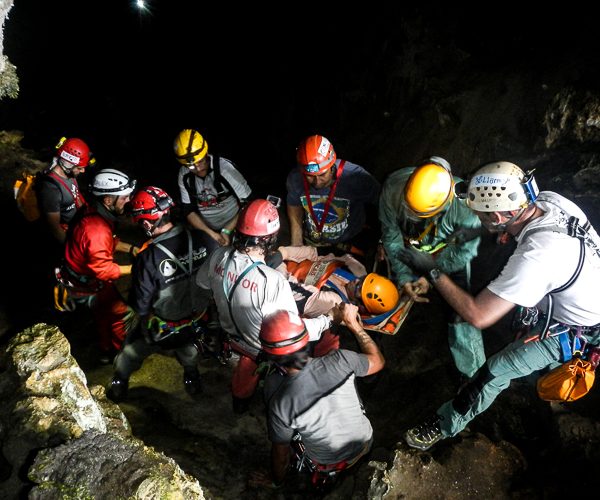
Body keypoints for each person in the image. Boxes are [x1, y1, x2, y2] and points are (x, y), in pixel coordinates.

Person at [396, 161, 600, 451]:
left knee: (494, 371)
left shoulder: (537, 257)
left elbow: (478, 315)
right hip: (579, 292)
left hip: (575, 329)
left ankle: (443, 425)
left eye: (481, 214)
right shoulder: (549, 201)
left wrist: (431, 270)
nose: (478, 218)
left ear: (500, 215)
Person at [196, 198, 341, 413]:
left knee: (244, 375)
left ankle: (240, 407)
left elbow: (202, 284)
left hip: (232, 336)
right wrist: (328, 319)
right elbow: (294, 333)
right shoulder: (271, 280)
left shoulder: (218, 255)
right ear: (270, 238)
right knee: (328, 335)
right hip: (263, 346)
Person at [253, 305, 385, 492]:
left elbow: (281, 456)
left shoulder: (281, 404)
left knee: (283, 422)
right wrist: (354, 325)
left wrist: (276, 481)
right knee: (348, 378)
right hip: (365, 445)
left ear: (271, 356)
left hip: (328, 464)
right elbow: (378, 361)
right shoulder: (342, 359)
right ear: (306, 338)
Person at [378, 156, 485, 378]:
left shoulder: (467, 209)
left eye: (419, 215)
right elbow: (392, 237)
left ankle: (474, 374)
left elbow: (462, 253)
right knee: (394, 290)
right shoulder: (394, 186)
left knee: (460, 310)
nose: (412, 217)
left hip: (449, 250)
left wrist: (431, 275)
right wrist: (405, 277)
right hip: (414, 245)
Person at [107, 186, 212, 401]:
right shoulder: (203, 239)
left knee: (130, 352)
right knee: (188, 349)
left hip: (162, 328)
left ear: (146, 223)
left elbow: (141, 303)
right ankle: (192, 376)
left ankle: (120, 381)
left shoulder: (148, 258)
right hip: (196, 321)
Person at [57, 168, 139, 363]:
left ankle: (106, 350)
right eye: (124, 197)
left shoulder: (93, 211)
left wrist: (131, 249)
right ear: (108, 200)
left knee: (102, 313)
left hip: (78, 278)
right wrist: (136, 268)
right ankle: (123, 356)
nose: (128, 201)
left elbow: (110, 241)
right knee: (123, 314)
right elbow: (104, 271)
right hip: (87, 284)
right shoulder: (97, 229)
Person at [286, 134, 380, 260]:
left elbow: (383, 204)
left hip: (351, 241)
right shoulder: (296, 178)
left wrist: (382, 240)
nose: (317, 182)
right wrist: (296, 243)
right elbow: (294, 204)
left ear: (331, 165)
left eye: (322, 174)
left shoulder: (356, 177)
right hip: (314, 241)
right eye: (310, 176)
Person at [175, 129, 252, 253]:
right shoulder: (184, 175)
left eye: (201, 161)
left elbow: (248, 203)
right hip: (207, 229)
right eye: (192, 166)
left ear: (206, 153)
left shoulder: (225, 169)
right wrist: (212, 235)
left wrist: (227, 230)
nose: (198, 168)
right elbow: (188, 210)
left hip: (236, 223)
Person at [272, 245, 399, 318]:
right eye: (363, 279)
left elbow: (288, 292)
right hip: (287, 260)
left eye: (359, 287)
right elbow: (318, 252)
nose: (357, 280)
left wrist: (278, 264)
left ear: (359, 305)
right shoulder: (358, 269)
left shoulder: (333, 303)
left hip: (275, 280)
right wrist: (284, 252)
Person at [36, 137, 92, 246]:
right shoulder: (51, 189)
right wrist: (69, 249)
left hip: (77, 228)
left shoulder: (69, 175)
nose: (83, 171)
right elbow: (54, 228)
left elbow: (76, 195)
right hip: (65, 236)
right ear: (67, 164)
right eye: (79, 168)